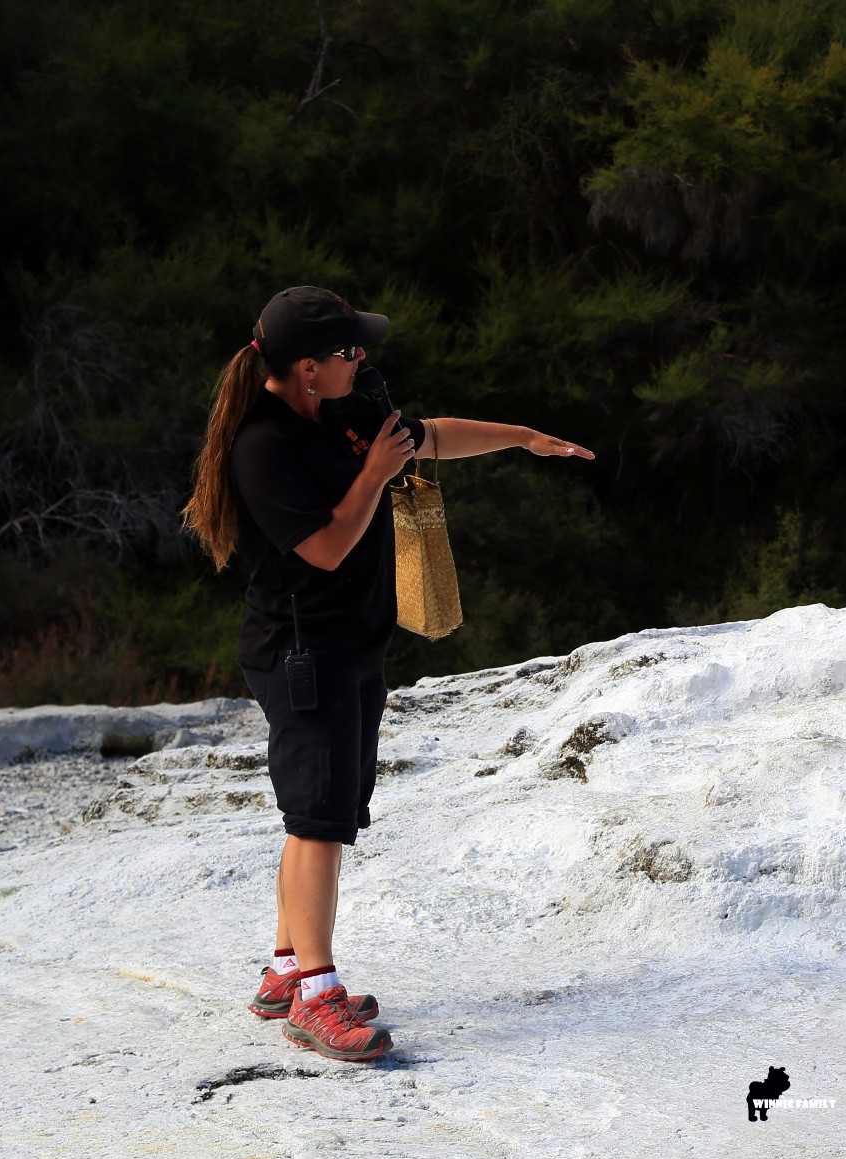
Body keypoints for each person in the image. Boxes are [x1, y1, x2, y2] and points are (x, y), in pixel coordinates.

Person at [180, 286, 593, 1062]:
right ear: (307, 368)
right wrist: (372, 472)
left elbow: (429, 436)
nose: (360, 359)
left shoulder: (334, 411)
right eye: (346, 351)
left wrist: (522, 437)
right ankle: (315, 994)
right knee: (318, 822)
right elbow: (326, 549)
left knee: (319, 813)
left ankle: (282, 970)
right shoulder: (263, 445)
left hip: (348, 646)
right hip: (303, 655)